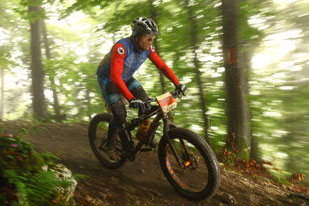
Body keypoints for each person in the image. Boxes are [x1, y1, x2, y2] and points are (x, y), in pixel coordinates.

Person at [96, 17, 186, 156]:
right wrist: (131, 98)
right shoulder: (122, 47)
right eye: (148, 36)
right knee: (120, 115)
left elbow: (162, 66)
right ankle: (109, 144)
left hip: (125, 77)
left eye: (153, 37)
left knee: (146, 104)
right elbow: (115, 77)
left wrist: (177, 83)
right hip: (109, 80)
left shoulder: (147, 49)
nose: (151, 40)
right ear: (137, 35)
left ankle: (142, 134)